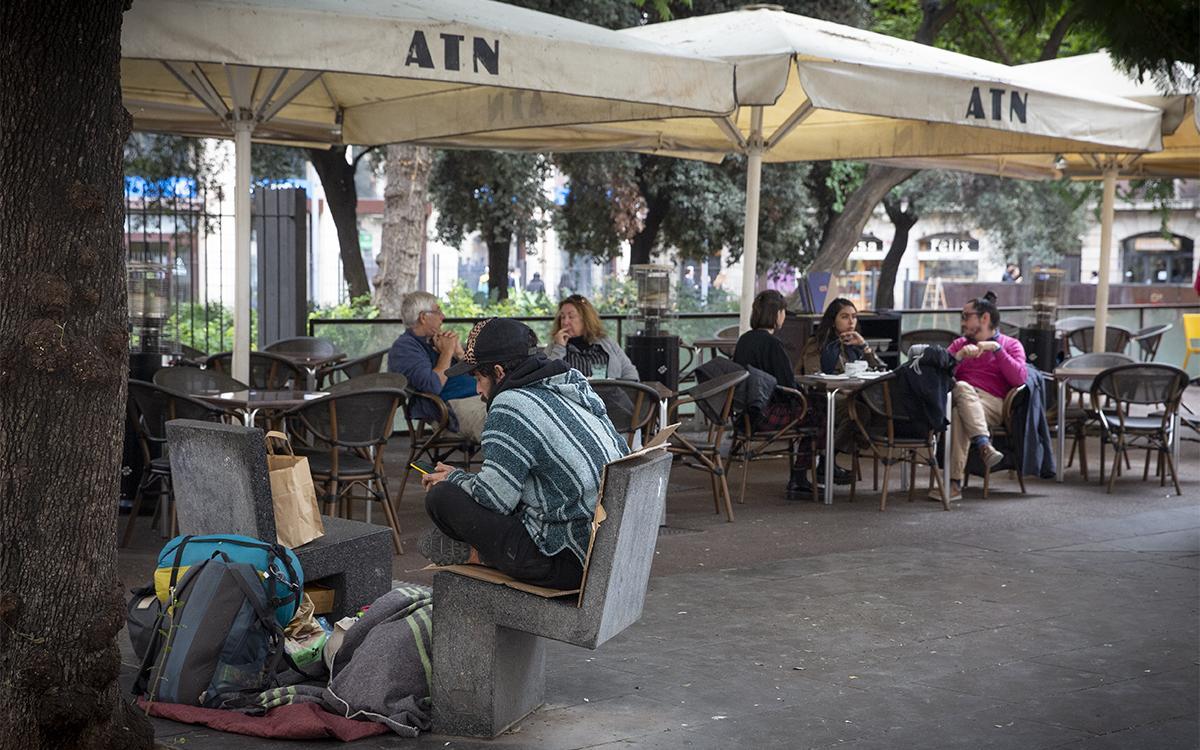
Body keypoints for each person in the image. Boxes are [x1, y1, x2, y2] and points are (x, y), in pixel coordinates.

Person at [418, 318, 627, 589]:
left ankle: (479, 555)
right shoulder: (569, 385)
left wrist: (453, 480)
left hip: (567, 560)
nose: (478, 389)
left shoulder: (510, 403)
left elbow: (496, 500)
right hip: (606, 548)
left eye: (479, 378)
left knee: (441, 498)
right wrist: (462, 477)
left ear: (498, 372)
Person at [733, 290, 844, 498]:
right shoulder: (773, 344)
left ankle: (814, 470)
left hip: (745, 415)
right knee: (821, 411)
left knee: (815, 408)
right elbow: (788, 386)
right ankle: (804, 475)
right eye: (783, 312)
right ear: (777, 314)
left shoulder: (744, 340)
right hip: (766, 414)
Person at [939, 291, 1027, 501]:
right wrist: (957, 359)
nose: (962, 322)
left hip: (994, 405)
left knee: (961, 396)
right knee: (961, 396)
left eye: (966, 316)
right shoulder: (959, 345)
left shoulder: (1010, 345)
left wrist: (997, 350)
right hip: (962, 401)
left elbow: (1020, 379)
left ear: (984, 318)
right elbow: (938, 377)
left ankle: (953, 484)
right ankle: (984, 446)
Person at [387, 291, 487, 441]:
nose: (443, 316)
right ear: (423, 317)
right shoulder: (405, 348)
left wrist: (459, 354)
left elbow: (479, 373)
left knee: (515, 408)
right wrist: (446, 352)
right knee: (496, 418)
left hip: (479, 396)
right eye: (437, 311)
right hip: (450, 407)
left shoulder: (434, 341)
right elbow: (432, 385)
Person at [545, 295, 640, 380]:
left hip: (608, 396)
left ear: (586, 319)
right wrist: (559, 348)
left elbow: (629, 371)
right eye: (562, 317)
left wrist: (627, 391)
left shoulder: (606, 342)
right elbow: (545, 378)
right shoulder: (555, 346)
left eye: (571, 316)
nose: (565, 322)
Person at [800, 298, 883, 375]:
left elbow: (880, 371)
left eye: (854, 317)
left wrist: (864, 345)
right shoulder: (817, 343)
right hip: (831, 390)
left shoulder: (857, 344)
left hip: (858, 388)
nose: (851, 322)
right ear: (833, 321)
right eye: (845, 317)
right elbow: (813, 377)